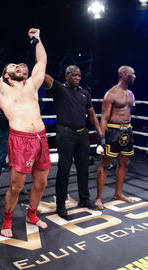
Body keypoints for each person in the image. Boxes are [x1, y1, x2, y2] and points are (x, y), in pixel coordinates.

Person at [0, 27, 51, 238]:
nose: (18, 67)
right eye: (12, 66)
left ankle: (32, 214)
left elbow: (42, 62)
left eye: (19, 65)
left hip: (41, 138)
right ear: (6, 75)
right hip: (21, 140)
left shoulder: (32, 86)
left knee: (41, 183)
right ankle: (7, 219)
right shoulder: (1, 89)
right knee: (16, 187)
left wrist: (37, 39)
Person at [44, 65, 103, 218]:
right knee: (64, 169)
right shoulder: (59, 89)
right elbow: (44, 76)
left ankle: (84, 199)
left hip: (82, 134)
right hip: (65, 133)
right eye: (74, 75)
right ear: (66, 75)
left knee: (84, 169)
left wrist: (100, 134)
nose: (77, 78)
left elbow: (91, 115)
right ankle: (61, 204)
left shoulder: (85, 93)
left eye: (79, 75)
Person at [95, 65, 136, 210]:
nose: (134, 77)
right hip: (113, 131)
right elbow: (104, 118)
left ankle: (118, 193)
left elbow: (128, 113)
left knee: (124, 163)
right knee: (105, 164)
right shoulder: (111, 93)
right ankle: (98, 198)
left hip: (127, 131)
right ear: (124, 74)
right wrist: (101, 139)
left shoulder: (131, 94)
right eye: (132, 74)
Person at [0, 63, 29, 201]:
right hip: (7, 126)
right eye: (22, 73)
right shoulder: (6, 83)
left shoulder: (28, 88)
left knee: (20, 159)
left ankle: (20, 185)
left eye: (26, 74)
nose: (24, 75)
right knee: (1, 157)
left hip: (22, 128)